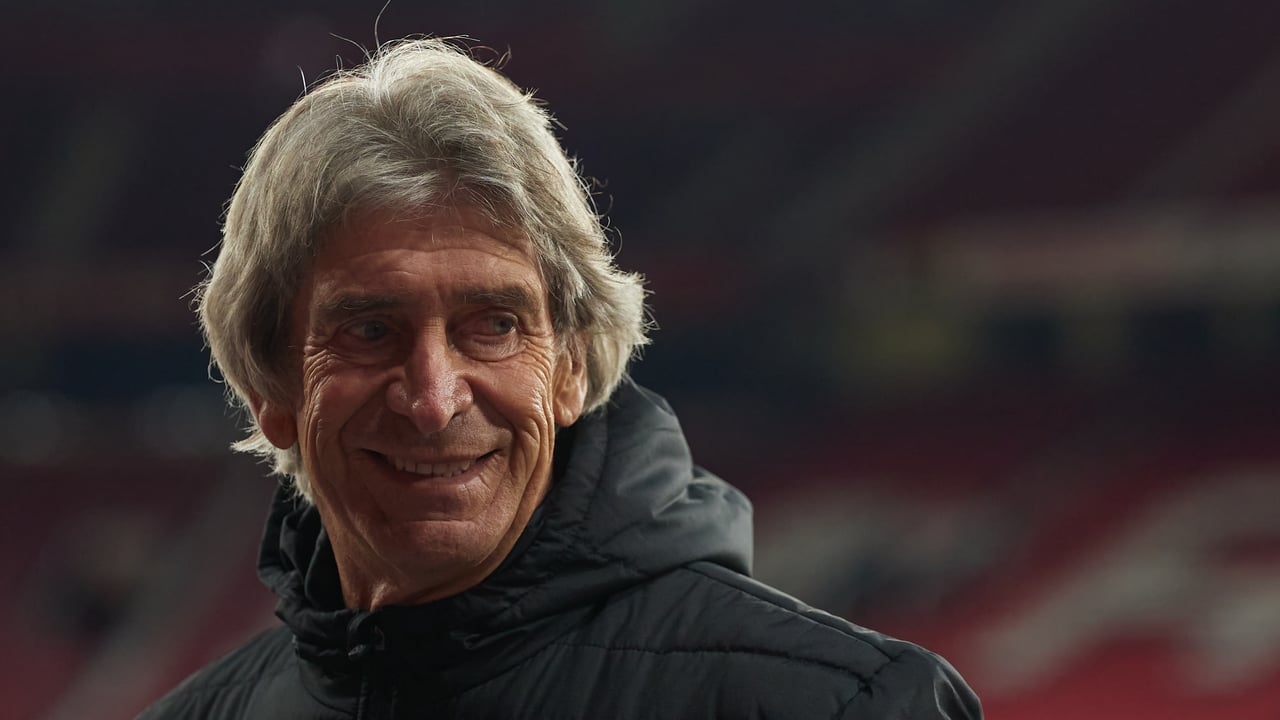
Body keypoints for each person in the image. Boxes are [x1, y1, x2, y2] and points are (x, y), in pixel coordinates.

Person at [140, 37, 982, 719]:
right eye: (369, 331)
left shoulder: (847, 708)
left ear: (572, 368)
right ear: (270, 388)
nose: (433, 401)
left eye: (494, 326)